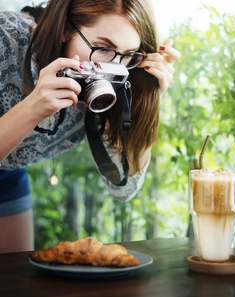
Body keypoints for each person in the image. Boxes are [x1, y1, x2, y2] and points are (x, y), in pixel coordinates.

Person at [0, 0, 180, 253]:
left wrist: (146, 96)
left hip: (10, 173)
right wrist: (32, 108)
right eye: (103, 48)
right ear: (64, 28)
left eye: (128, 55)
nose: (113, 67)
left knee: (12, 279)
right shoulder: (6, 38)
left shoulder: (124, 74)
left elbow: (124, 189)